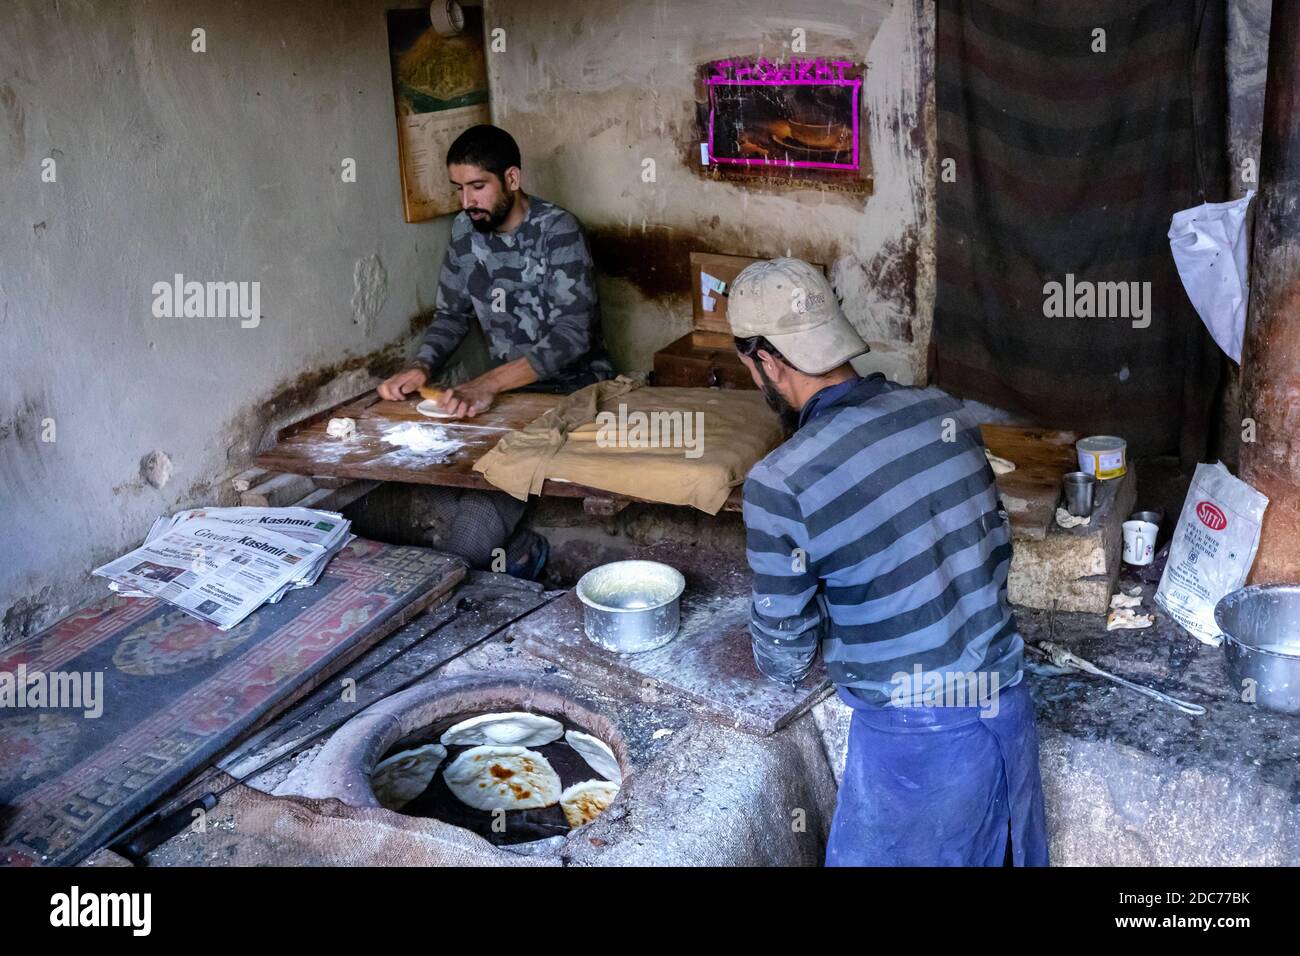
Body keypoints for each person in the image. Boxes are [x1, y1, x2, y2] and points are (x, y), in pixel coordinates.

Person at [728, 257, 1049, 866]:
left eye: (750, 367)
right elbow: (988, 555)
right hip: (1005, 708)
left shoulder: (781, 482)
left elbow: (786, 656)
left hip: (921, 744)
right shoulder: (945, 413)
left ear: (765, 361)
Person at [371, 124, 613, 577]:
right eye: (459, 189)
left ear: (513, 179)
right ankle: (519, 550)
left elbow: (571, 335)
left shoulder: (557, 230)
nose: (466, 202)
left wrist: (486, 384)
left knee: (482, 502)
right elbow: (452, 315)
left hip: (572, 393)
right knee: (418, 463)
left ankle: (464, 570)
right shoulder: (466, 232)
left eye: (478, 187)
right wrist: (421, 366)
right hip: (505, 396)